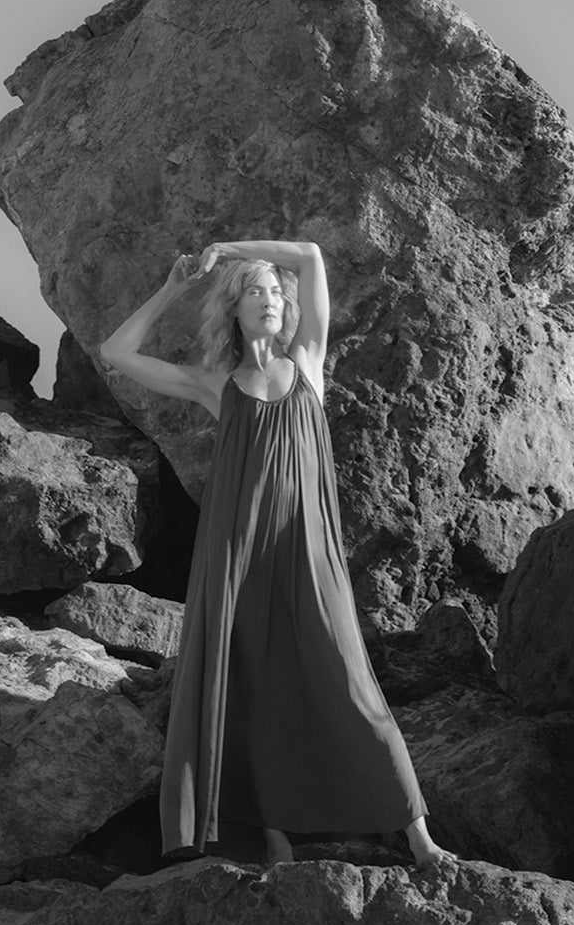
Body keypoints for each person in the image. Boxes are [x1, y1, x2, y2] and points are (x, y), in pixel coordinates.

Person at [100, 237, 448, 870]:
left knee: (350, 676)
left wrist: (231, 248)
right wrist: (175, 286)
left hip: (308, 547)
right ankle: (276, 843)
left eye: (274, 291)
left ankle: (419, 834)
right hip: (235, 556)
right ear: (233, 309)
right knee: (250, 688)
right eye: (255, 290)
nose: (270, 299)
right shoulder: (215, 384)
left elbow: (312, 256)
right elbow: (115, 351)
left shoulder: (309, 362)